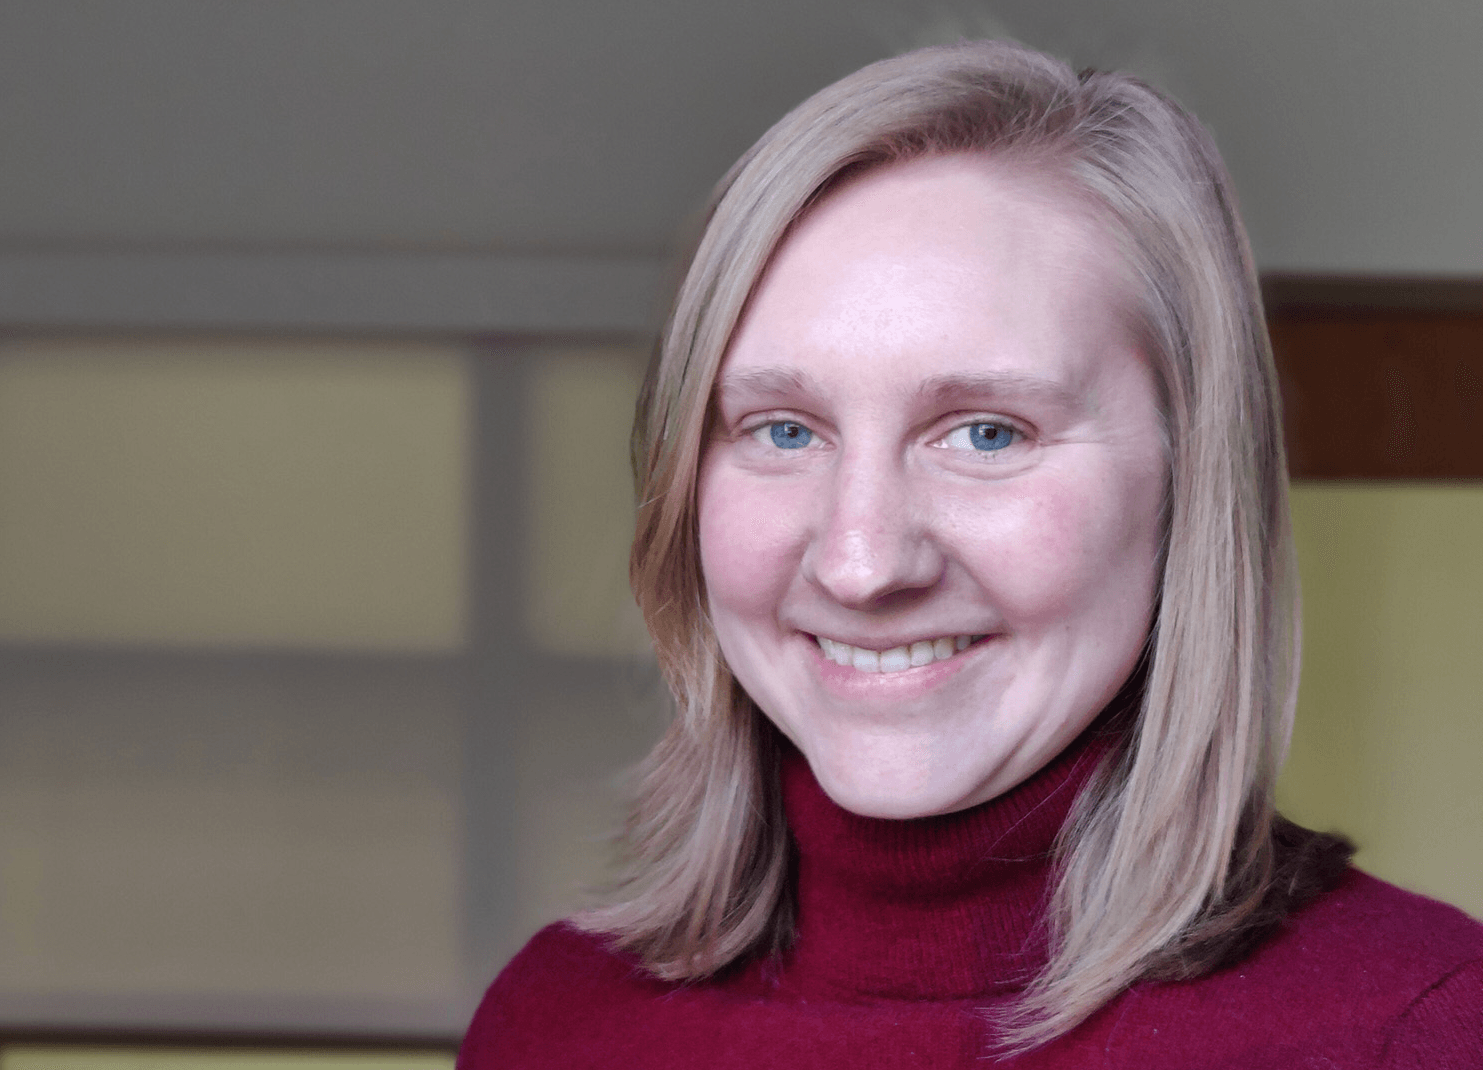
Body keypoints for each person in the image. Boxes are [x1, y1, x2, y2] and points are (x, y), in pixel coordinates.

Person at [459, 40, 1483, 1068]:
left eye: (986, 430)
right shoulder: (549, 1024)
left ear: (1189, 479)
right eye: (783, 428)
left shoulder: (1422, 1029)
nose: (861, 564)